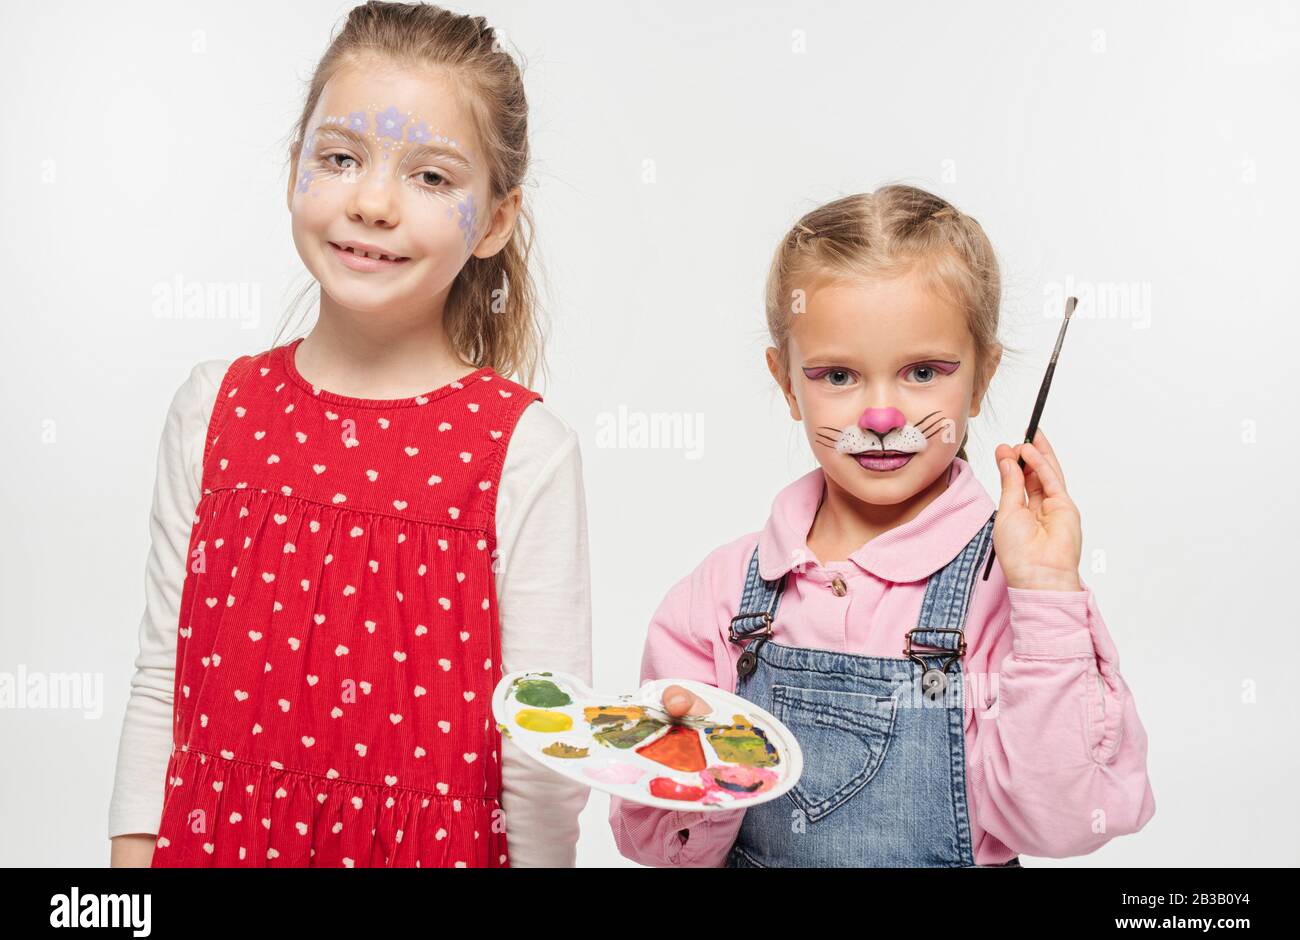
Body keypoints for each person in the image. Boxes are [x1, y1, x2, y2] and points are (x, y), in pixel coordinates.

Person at [108, 1, 590, 867]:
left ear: (494, 221)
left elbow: (543, 745)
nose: (372, 201)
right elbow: (161, 680)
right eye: (340, 157)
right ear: (294, 167)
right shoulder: (212, 408)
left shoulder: (524, 450)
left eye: (432, 177)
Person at [609, 184, 1156, 867]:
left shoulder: (1008, 595)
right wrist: (701, 765)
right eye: (838, 374)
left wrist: (1046, 592)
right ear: (786, 383)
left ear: (983, 376)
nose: (882, 415)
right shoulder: (720, 595)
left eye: (923, 371)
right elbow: (651, 843)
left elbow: (1067, 821)